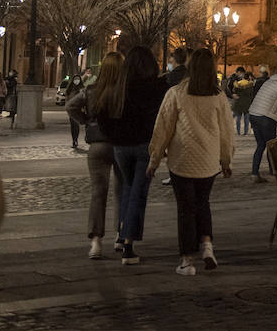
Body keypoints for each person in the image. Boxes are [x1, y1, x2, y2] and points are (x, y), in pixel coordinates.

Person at [147, 48, 234, 277]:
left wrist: (154, 160)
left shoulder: (176, 93)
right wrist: (226, 161)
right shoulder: (219, 96)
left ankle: (187, 260)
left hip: (182, 159)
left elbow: (163, 129)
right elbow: (227, 132)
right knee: (203, 203)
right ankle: (206, 245)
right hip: (208, 160)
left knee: (186, 209)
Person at [100, 46, 170, 266]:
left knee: (128, 189)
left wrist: (114, 136)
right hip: (144, 146)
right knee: (138, 193)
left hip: (121, 147)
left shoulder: (120, 86)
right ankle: (128, 245)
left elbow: (103, 116)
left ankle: (122, 234)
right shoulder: (157, 88)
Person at [66, 52, 125, 261]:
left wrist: (86, 120)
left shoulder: (91, 90)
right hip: (120, 144)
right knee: (121, 192)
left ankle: (96, 242)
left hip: (97, 145)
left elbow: (70, 106)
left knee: (98, 193)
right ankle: (121, 236)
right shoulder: (124, 91)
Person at [228, 67, 254, 136]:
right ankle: (245, 133)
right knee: (246, 120)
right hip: (247, 103)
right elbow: (252, 95)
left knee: (238, 119)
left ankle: (238, 132)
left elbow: (234, 91)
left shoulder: (237, 84)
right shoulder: (251, 84)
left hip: (239, 103)